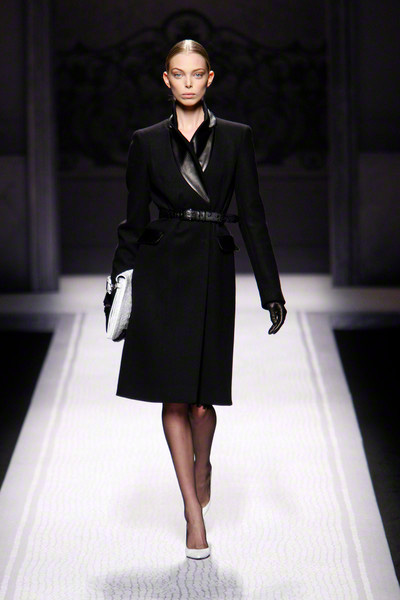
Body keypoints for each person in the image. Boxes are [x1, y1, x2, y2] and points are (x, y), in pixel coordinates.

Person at [104, 39, 286, 560]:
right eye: (178, 74)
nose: (188, 82)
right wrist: (119, 284)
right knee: (174, 397)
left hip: (211, 268)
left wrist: (270, 290)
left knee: (203, 404)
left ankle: (202, 463)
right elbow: (133, 220)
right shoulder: (145, 142)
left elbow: (252, 215)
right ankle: (192, 512)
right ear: (167, 80)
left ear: (210, 78)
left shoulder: (236, 138)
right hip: (162, 272)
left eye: (196, 73)